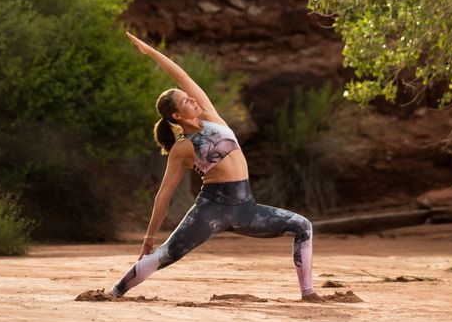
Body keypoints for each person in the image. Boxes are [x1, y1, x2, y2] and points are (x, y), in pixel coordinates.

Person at [81, 32, 359, 303]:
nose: (192, 99)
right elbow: (164, 194)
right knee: (166, 255)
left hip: (245, 207)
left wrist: (151, 52)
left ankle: (308, 293)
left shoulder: (212, 117)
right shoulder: (182, 148)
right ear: (177, 115)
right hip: (210, 210)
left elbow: (182, 76)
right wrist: (149, 236)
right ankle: (115, 293)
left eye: (190, 97)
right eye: (185, 100)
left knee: (303, 226)